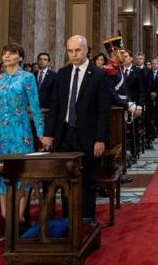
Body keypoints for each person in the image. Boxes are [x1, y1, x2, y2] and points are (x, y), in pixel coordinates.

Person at [42, 35, 112, 221]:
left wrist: (100, 139)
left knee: (87, 181)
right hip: (64, 135)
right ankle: (68, 222)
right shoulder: (63, 74)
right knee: (66, 180)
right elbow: (55, 106)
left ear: (87, 50)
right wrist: (48, 134)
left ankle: (86, 222)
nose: (73, 55)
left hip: (88, 137)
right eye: (70, 51)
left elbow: (103, 111)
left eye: (77, 50)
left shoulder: (99, 75)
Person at [0, 44, 45, 220]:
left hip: (20, 132)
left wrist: (41, 133)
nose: (7, 56)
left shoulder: (27, 78)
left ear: (20, 57)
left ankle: (18, 220)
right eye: (4, 54)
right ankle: (6, 219)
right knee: (1, 173)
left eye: (12, 53)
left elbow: (35, 106)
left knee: (20, 173)